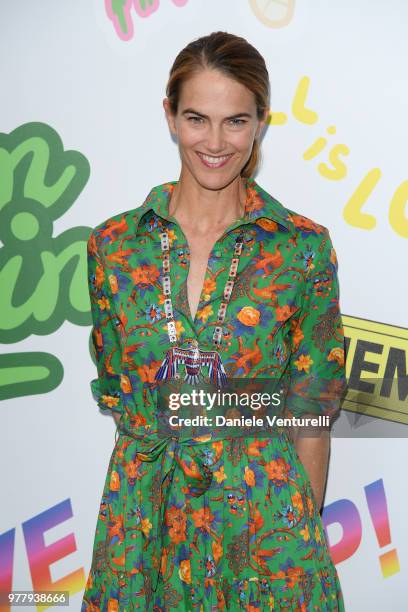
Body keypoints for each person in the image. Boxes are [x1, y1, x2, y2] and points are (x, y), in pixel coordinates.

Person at [82, 31, 347, 611]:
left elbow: (312, 413)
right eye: (197, 118)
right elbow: (121, 385)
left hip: (263, 525)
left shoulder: (301, 250)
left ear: (261, 124)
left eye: (236, 121)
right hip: (144, 525)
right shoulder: (112, 247)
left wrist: (297, 541)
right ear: (170, 116)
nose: (215, 141)